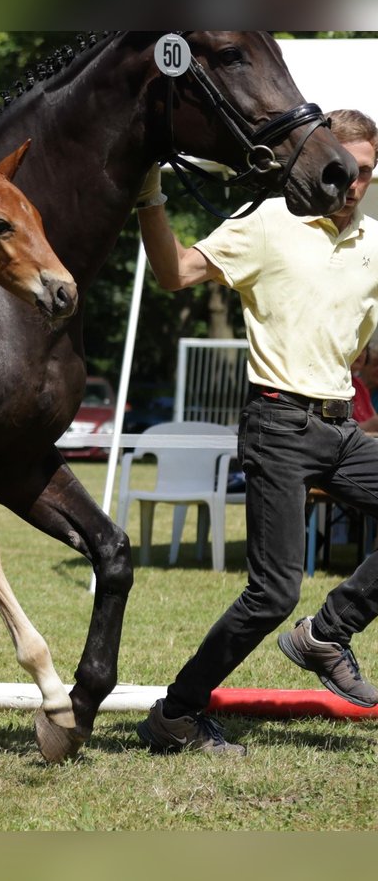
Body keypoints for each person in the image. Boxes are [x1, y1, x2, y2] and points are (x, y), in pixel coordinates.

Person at [134, 108, 378, 755]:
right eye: (345, 171)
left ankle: (328, 632)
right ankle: (176, 714)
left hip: (340, 425)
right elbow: (175, 273)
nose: (353, 185)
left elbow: (363, 346)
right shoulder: (271, 223)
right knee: (272, 592)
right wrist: (149, 199)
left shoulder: (373, 243)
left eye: (367, 174)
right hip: (277, 424)